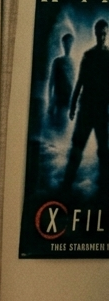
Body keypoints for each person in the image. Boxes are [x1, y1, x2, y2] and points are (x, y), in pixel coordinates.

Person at [66, 20, 109, 191]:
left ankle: (104, 188)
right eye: (100, 33)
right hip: (86, 110)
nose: (102, 37)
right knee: (77, 147)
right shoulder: (88, 55)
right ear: (95, 33)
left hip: (101, 111)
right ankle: (66, 185)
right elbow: (80, 82)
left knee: (104, 151)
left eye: (105, 33)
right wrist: (73, 106)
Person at [50, 33, 76, 131]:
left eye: (70, 43)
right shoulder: (57, 61)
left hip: (68, 99)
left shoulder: (73, 63)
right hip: (58, 98)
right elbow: (51, 81)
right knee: (56, 125)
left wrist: (73, 102)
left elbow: (73, 83)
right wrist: (50, 101)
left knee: (66, 126)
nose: (68, 45)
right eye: (66, 43)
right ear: (63, 44)